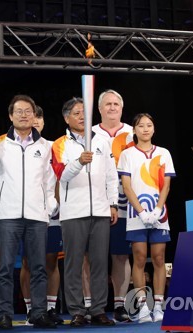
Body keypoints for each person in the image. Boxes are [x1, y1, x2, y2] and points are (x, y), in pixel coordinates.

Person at [0, 94, 58, 329]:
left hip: (37, 216)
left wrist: (49, 206)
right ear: (10, 116)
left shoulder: (45, 146)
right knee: (5, 267)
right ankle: (5, 313)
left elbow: (49, 180)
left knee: (38, 267)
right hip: (8, 215)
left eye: (28, 111)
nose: (24, 115)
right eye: (19, 111)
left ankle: (38, 312)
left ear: (34, 115)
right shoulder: (1, 143)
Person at [51, 97, 118, 327]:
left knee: (100, 263)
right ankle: (77, 311)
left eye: (84, 112)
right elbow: (61, 174)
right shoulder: (60, 144)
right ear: (66, 117)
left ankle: (99, 309)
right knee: (73, 263)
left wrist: (112, 203)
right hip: (73, 213)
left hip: (100, 210)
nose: (81, 116)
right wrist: (79, 161)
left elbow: (111, 174)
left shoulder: (101, 141)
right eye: (77, 113)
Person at [117, 113, 175, 323]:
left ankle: (158, 305)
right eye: (140, 126)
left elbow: (166, 185)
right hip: (136, 212)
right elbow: (126, 186)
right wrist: (141, 211)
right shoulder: (127, 154)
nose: (145, 129)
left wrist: (158, 209)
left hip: (160, 213)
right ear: (134, 130)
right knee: (139, 257)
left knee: (159, 258)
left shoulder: (164, 153)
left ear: (154, 129)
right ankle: (142, 306)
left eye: (149, 125)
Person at [92, 89, 134, 322]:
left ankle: (120, 304)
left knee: (120, 255)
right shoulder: (89, 132)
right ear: (99, 109)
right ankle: (89, 306)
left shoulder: (132, 133)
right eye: (107, 104)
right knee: (90, 257)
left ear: (121, 107)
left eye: (116, 104)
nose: (112, 107)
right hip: (93, 202)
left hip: (124, 202)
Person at [19, 106, 64, 325]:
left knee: (51, 260)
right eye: (32, 116)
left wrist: (55, 204)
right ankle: (30, 308)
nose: (35, 120)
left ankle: (51, 307)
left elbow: (59, 177)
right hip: (28, 213)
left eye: (39, 116)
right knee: (28, 261)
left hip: (52, 212)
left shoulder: (53, 147)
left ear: (44, 121)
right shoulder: (17, 146)